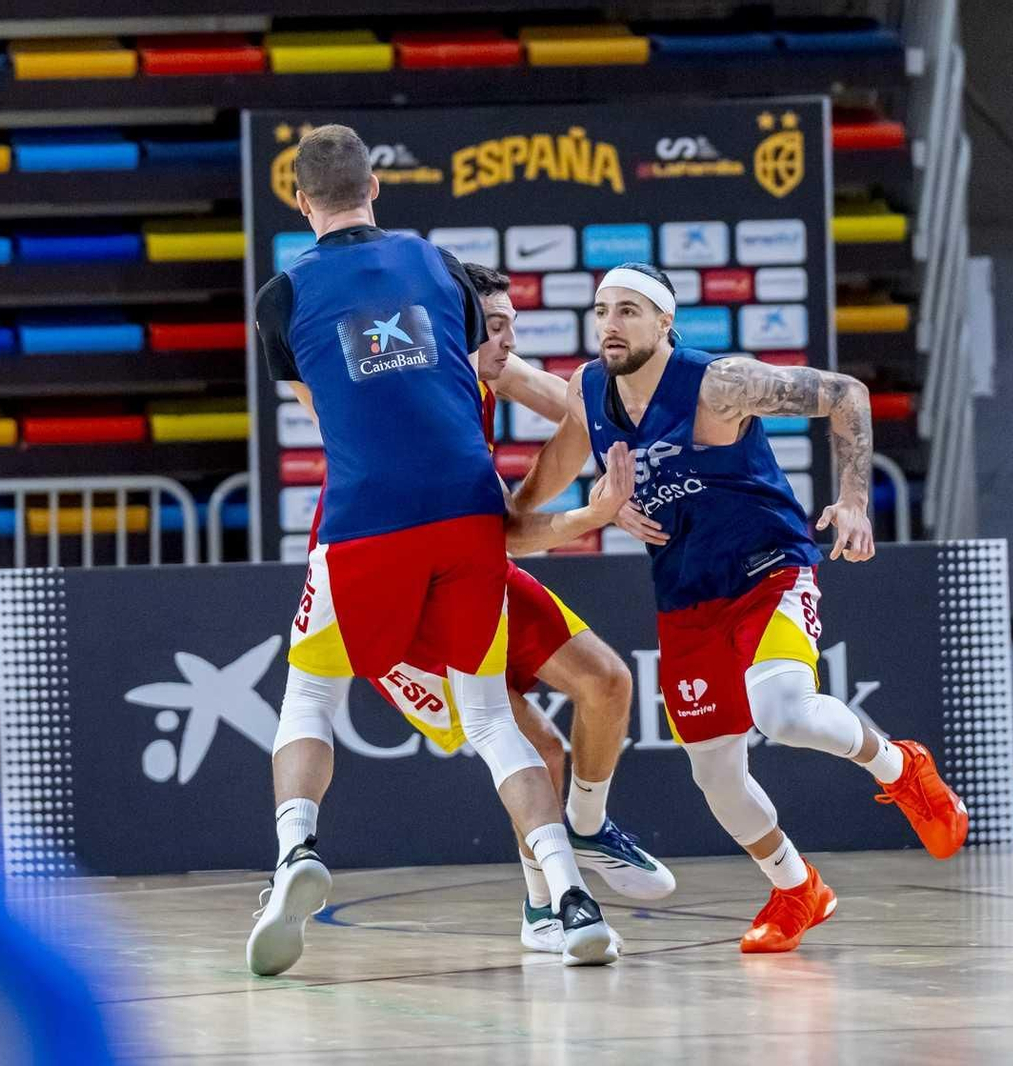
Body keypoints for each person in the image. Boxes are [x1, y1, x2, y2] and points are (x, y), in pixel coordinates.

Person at [245, 123, 625, 974]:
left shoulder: (281, 297)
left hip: (367, 514)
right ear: (375, 187)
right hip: (468, 509)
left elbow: (326, 407)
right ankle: (569, 897)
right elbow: (459, 373)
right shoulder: (438, 266)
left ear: (301, 201)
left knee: (310, 696)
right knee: (493, 716)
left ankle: (296, 853)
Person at [512, 262, 970, 954]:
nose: (610, 324)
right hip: (688, 596)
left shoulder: (717, 384)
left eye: (630, 311)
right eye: (603, 310)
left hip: (769, 568)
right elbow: (542, 478)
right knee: (716, 776)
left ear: (666, 323)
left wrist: (851, 499)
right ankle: (796, 887)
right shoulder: (589, 391)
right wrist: (589, 513)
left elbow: (845, 393)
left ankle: (902, 769)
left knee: (782, 710)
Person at [360, 262, 675, 956]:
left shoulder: (484, 364)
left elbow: (580, 404)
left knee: (608, 681)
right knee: (538, 747)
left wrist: (657, 410)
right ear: (455, 331)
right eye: (496, 328)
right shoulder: (431, 412)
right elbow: (508, 529)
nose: (508, 344)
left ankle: (587, 828)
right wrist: (591, 515)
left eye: (510, 327)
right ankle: (546, 905)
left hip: (474, 569)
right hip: (406, 611)